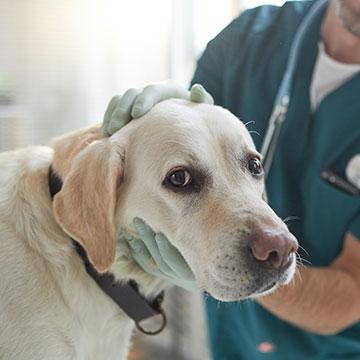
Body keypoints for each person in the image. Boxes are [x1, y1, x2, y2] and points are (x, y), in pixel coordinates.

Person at [102, 0, 360, 359]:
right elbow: (185, 133)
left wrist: (248, 264)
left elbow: (350, 293)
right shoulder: (248, 39)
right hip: (232, 344)